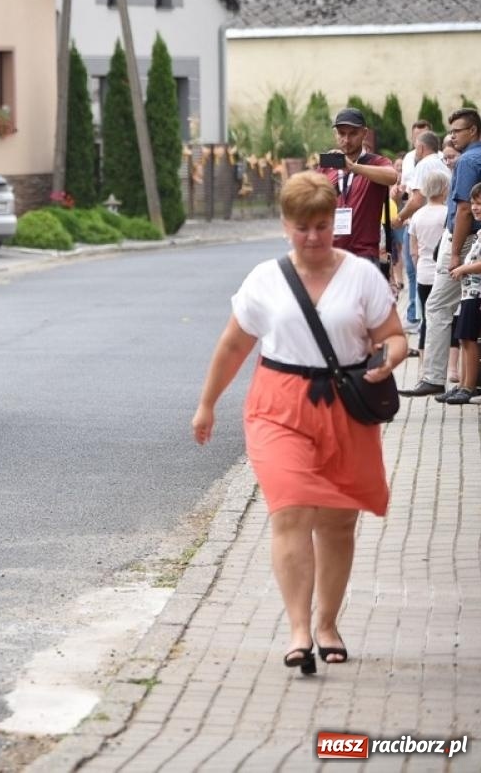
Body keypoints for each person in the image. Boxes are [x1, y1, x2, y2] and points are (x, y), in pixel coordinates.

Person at [191, 171, 406, 675]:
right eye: (301, 227)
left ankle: (327, 622)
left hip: (345, 407)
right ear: (285, 225)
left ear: (334, 222)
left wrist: (390, 357)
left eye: (321, 225)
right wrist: (207, 404)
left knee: (336, 521)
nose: (312, 237)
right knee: (290, 511)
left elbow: (394, 335)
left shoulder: (361, 276)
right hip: (278, 406)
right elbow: (233, 345)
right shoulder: (264, 281)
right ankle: (298, 630)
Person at [402, 108, 481, 398]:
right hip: (478, 238)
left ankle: (434, 377)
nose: (452, 137)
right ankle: (468, 381)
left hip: (464, 240)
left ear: (472, 131)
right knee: (472, 309)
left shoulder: (468, 160)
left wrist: (456, 255)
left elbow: (462, 209)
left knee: (437, 306)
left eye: (457, 131)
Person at [316, 107, 397, 270]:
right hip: (332, 251)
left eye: (353, 133)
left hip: (364, 254)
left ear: (364, 133)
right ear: (335, 134)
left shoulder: (376, 162)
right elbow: (313, 202)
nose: (346, 139)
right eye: (341, 133)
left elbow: (392, 176)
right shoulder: (327, 166)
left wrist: (353, 167)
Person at [393, 130, 446, 325]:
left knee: (415, 269)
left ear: (421, 147)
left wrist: (400, 217)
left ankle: (417, 317)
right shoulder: (440, 162)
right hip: (440, 222)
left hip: (421, 223)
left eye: (416, 148)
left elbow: (416, 200)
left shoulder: (423, 164)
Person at [440, 183, 481, 404]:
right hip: (468, 292)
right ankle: (463, 384)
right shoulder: (480, 232)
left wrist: (464, 268)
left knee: (469, 338)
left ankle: (469, 386)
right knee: (464, 338)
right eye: (473, 203)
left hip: (477, 293)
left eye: (479, 204)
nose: (475, 208)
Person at [407, 167, 450, 360]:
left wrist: (418, 266)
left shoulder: (417, 216)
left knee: (426, 318)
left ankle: (425, 362)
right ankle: (450, 364)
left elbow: (413, 250)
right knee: (448, 317)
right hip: (445, 273)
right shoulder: (448, 214)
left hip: (423, 273)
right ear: (444, 189)